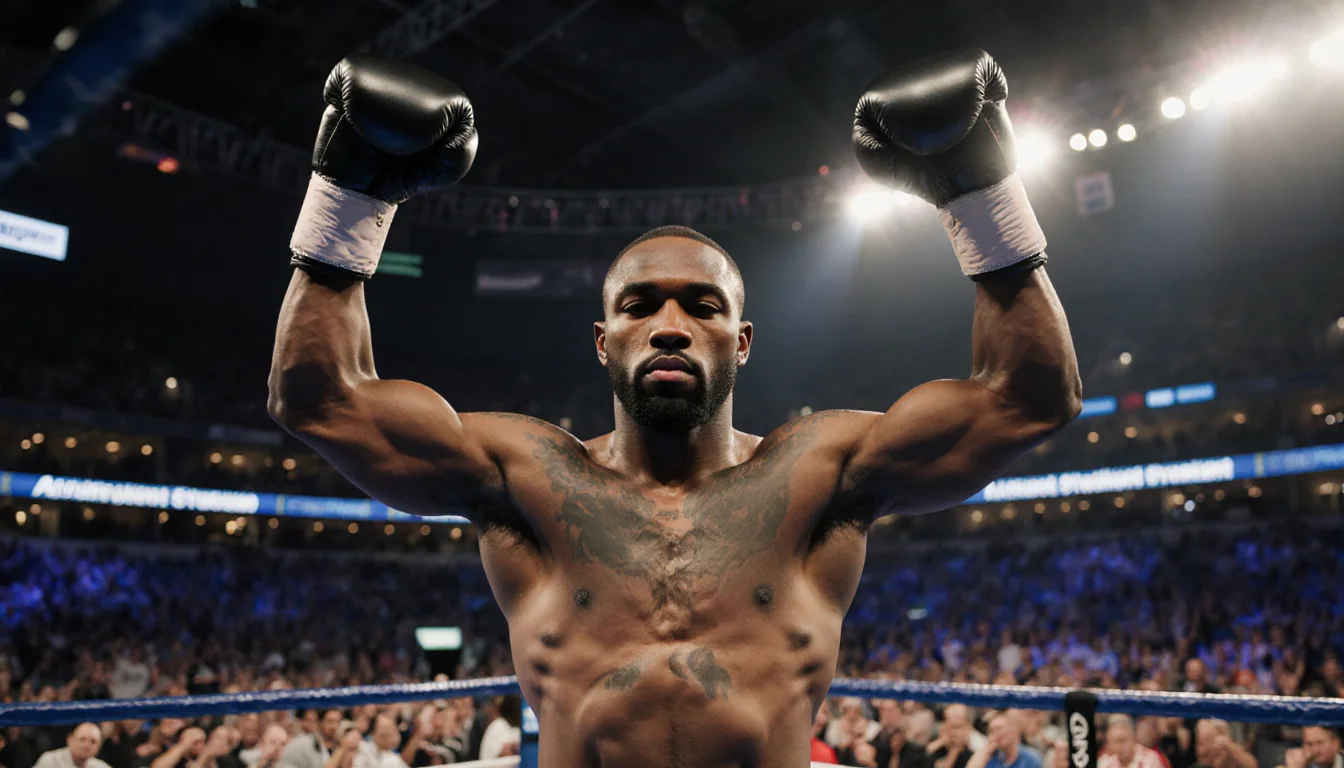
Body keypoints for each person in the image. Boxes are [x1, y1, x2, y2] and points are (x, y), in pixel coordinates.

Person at [268, 49, 1081, 766]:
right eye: (639, 307)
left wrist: (980, 195)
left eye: (701, 306)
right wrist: (350, 197)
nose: (669, 328)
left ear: (743, 340)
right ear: (602, 339)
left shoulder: (820, 472)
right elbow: (320, 399)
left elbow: (1029, 400)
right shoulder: (525, 477)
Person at [967, 712, 1041, 768]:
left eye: (999, 728)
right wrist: (988, 750)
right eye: (991, 731)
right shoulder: (989, 757)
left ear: (1013, 730)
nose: (996, 734)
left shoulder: (1031, 758)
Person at [1100, 716, 1167, 768]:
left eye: (1122, 740)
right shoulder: (1104, 763)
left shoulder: (1151, 760)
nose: (1119, 747)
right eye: (1114, 742)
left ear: (1133, 738)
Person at [33, 724, 110, 768]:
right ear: (70, 740)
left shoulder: (100, 766)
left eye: (93, 742)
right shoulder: (51, 761)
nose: (87, 745)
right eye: (82, 739)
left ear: (99, 747)